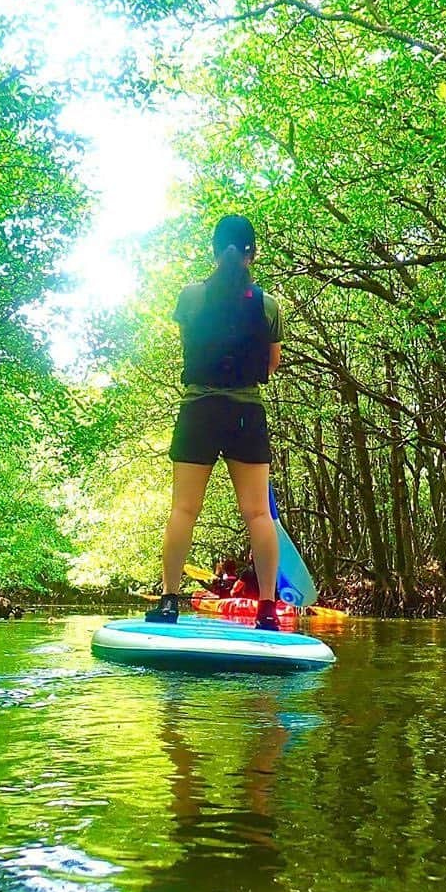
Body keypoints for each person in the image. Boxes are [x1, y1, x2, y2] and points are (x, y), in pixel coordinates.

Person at [146, 214, 283, 630]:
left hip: (198, 411)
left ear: (213, 250)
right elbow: (271, 364)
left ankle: (169, 602)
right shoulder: (267, 304)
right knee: (258, 514)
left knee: (184, 509)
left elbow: (190, 346)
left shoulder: (190, 297)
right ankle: (266, 612)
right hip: (246, 412)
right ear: (253, 253)